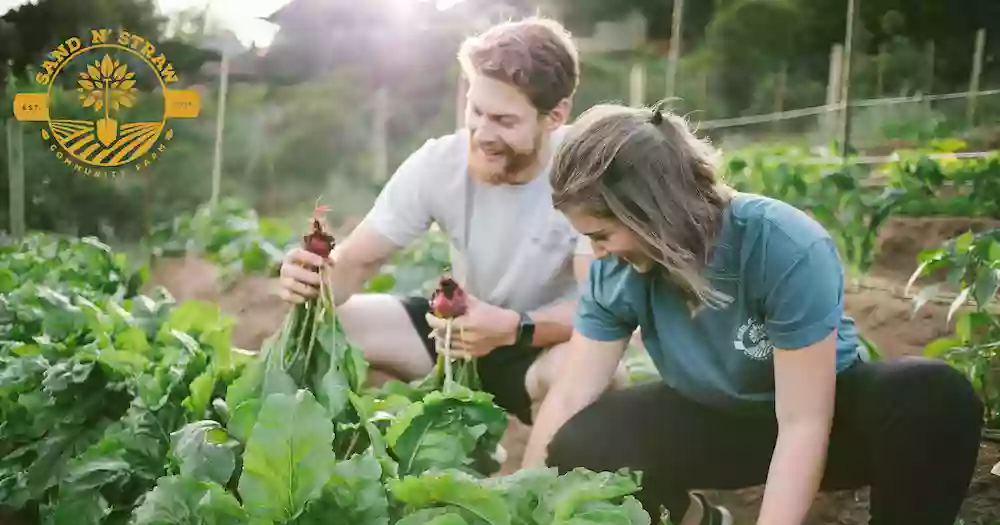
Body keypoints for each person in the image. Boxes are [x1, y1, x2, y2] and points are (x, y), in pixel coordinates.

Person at [522, 102, 985, 525]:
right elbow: (568, 397)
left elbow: (803, 423)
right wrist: (520, 501)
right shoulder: (617, 272)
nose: (596, 254)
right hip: (715, 420)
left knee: (933, 397)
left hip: (825, 418)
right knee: (581, 442)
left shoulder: (780, 243)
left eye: (602, 235)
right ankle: (696, 520)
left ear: (652, 214)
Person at [277, 17, 626, 427]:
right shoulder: (439, 163)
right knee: (332, 328)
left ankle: (539, 477)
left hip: (536, 342)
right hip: (456, 333)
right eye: (476, 111)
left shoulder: (585, 174)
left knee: (604, 378)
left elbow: (600, 306)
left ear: (555, 115)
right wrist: (310, 280)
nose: (481, 132)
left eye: (504, 120)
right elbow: (356, 262)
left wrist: (514, 328)